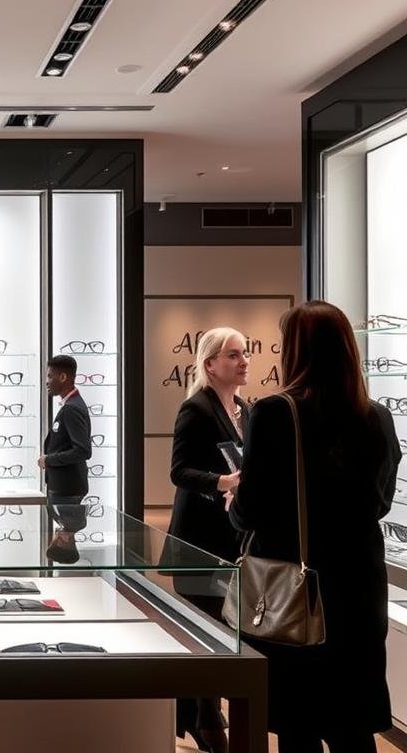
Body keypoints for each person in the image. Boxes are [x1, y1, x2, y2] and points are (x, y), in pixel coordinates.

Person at [230, 301, 401, 753]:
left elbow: (251, 510)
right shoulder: (378, 416)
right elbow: (381, 502)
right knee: (352, 724)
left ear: (295, 352)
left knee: (298, 724)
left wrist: (234, 503)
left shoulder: (274, 414)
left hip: (296, 588)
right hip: (360, 585)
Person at [167, 326, 250, 753]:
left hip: (232, 539)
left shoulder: (247, 410)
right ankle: (206, 719)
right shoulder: (195, 409)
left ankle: (207, 716)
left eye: (245, 353)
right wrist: (224, 481)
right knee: (204, 630)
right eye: (234, 355)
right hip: (197, 540)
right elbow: (179, 471)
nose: (243, 361)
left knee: (223, 629)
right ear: (210, 364)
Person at [38, 354, 93, 563]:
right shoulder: (71, 405)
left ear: (63, 377)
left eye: (50, 376)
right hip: (65, 487)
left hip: (67, 489)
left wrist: (49, 460)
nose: (46, 381)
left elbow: (83, 451)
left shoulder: (72, 408)